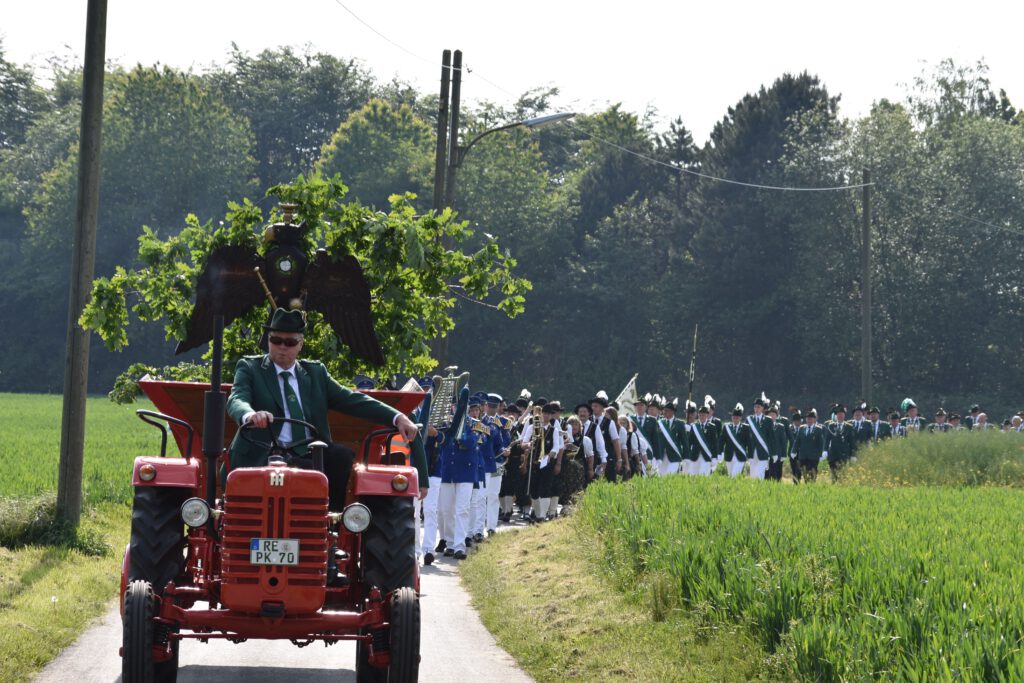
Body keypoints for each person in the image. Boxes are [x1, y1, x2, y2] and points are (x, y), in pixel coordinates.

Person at [226, 308, 424, 512]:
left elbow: (353, 399)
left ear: (300, 344)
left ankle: (332, 522)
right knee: (301, 469)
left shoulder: (315, 373)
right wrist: (250, 415)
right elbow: (237, 398)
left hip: (308, 452)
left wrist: (397, 417)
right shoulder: (250, 368)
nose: (282, 347)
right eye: (276, 340)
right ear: (268, 340)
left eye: (290, 342)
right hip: (263, 451)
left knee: (341, 457)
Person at [745, 394, 774, 480]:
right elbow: (746, 436)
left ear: (762, 408)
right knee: (753, 474)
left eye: (758, 407)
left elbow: (771, 437)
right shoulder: (749, 419)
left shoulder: (768, 420)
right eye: (755, 407)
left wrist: (773, 453)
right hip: (752, 450)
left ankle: (760, 488)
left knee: (760, 474)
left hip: (763, 451)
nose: (756, 409)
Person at [792, 408, 826, 482]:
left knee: (812, 474)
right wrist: (793, 451)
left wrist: (821, 454)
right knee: (801, 472)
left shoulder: (818, 429)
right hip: (803, 455)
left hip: (813, 456)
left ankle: (810, 486)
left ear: (814, 420)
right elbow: (797, 441)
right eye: (808, 419)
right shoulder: (801, 428)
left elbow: (821, 443)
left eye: (811, 419)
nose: (809, 420)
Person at [825, 404, 855, 481]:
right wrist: (825, 451)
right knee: (833, 474)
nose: (840, 416)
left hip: (843, 454)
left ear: (844, 416)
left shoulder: (849, 426)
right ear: (836, 416)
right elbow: (827, 439)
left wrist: (852, 455)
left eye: (842, 414)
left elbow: (851, 442)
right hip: (833, 454)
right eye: (838, 414)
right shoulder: (831, 426)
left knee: (842, 474)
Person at [721, 403, 749, 477]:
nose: (735, 419)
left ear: (740, 418)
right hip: (729, 455)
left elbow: (749, 442)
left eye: (737, 417)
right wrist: (720, 453)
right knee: (730, 476)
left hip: (740, 456)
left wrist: (750, 455)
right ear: (731, 417)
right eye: (734, 417)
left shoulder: (745, 428)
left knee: (734, 475)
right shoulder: (726, 427)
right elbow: (721, 441)